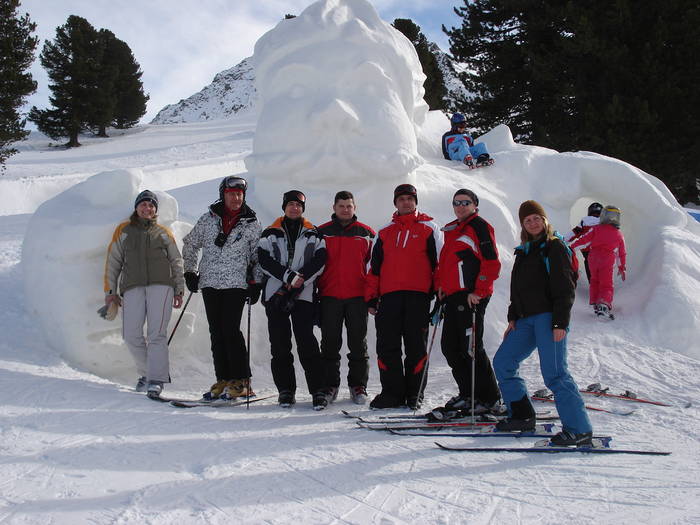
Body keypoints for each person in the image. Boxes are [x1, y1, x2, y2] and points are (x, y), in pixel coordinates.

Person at [492, 200, 593, 446]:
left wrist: (560, 322)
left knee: (555, 374)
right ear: (523, 226)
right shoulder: (524, 251)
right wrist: (513, 318)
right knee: (503, 362)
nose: (533, 222)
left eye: (536, 218)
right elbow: (517, 290)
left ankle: (579, 430)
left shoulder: (555, 247)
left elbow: (564, 288)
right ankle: (522, 415)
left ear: (544, 220)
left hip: (549, 319)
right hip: (525, 321)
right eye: (528, 220)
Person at [182, 176, 263, 401]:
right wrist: (190, 271)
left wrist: (256, 282)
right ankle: (224, 379)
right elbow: (190, 243)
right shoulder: (208, 219)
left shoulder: (251, 223)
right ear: (223, 194)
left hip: (236, 284)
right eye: (231, 194)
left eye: (239, 194)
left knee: (230, 330)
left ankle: (241, 381)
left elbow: (258, 256)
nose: (236, 198)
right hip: (210, 283)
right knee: (216, 332)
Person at [365, 183, 442, 410]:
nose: (406, 202)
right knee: (387, 347)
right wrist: (371, 296)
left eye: (410, 198)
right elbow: (374, 267)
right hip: (388, 298)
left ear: (415, 202)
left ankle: (414, 393)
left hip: (418, 297)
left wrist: (440, 294)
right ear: (395, 203)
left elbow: (440, 264)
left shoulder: (430, 228)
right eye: (401, 199)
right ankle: (392, 393)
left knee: (416, 347)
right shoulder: (385, 231)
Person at [103, 190, 185, 397]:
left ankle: (155, 380)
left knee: (156, 334)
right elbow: (113, 262)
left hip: (162, 286)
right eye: (143, 205)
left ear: (155, 210)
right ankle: (147, 373)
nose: (147, 208)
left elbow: (176, 261)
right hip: (132, 287)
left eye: (151, 206)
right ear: (136, 207)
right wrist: (110, 291)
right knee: (130, 334)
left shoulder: (164, 232)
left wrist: (179, 288)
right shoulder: (123, 230)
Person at [433, 189, 503, 416]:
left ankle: (490, 398)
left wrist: (479, 290)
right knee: (451, 347)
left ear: (475, 205)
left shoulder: (479, 226)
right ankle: (468, 394)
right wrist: (442, 285)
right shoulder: (454, 229)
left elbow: (491, 262)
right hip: (453, 297)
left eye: (466, 202)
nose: (461, 206)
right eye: (457, 203)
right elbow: (449, 263)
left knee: (471, 348)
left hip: (471, 297)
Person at [257, 190, 328, 410]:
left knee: (307, 342)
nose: (294, 208)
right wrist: (288, 277)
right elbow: (263, 260)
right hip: (275, 294)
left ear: (303, 208)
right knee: (279, 344)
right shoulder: (270, 232)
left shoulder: (313, 233)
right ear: (284, 207)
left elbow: (321, 260)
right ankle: (285, 391)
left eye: (298, 205)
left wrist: (300, 280)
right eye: (290, 204)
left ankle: (318, 391)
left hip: (303, 294)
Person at [317, 191, 375, 405]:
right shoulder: (321, 233)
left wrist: (372, 296)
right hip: (330, 296)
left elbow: (373, 268)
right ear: (334, 207)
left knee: (358, 344)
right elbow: (314, 264)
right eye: (341, 206)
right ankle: (330, 385)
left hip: (357, 297)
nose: (345, 209)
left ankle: (358, 385)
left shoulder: (367, 234)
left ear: (354, 208)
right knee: (330, 344)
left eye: (349, 206)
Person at [570, 205, 627, 320]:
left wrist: (571, 248)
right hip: (607, 259)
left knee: (594, 280)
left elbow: (584, 240)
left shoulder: (596, 229)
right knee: (606, 284)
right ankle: (604, 306)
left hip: (593, 258)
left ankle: (596, 303)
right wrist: (621, 267)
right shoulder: (618, 234)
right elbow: (621, 253)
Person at [564, 202, 603, 282]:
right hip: (601, 249)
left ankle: (593, 284)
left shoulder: (584, 221)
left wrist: (564, 240)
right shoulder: (604, 222)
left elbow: (575, 232)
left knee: (589, 264)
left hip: (587, 250)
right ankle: (603, 283)